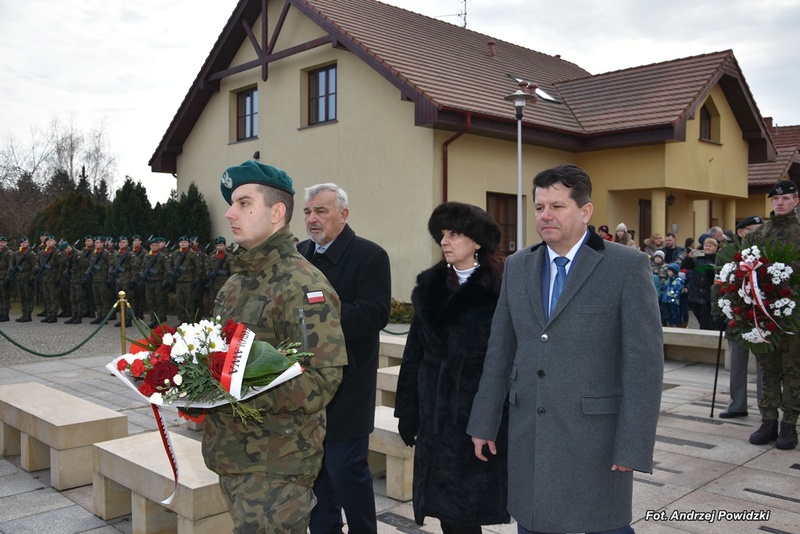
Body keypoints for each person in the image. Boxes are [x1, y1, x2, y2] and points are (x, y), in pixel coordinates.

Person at [466, 164, 663, 534]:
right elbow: (500, 351)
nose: (545, 216)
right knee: (535, 524)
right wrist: (483, 422)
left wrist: (633, 445)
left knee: (603, 526)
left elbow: (644, 364)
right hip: (532, 436)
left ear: (585, 211)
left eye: (557, 206)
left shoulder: (626, 266)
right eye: (539, 207)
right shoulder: (519, 267)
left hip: (596, 441)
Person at [202, 160, 347, 533]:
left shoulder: (301, 284)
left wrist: (236, 385)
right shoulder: (235, 284)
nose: (230, 213)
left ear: (277, 213)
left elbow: (320, 382)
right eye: (232, 203)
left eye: (244, 203)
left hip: (276, 464)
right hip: (234, 456)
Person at [394, 202, 508, 533]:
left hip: (476, 414)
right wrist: (407, 410)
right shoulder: (429, 287)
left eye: (455, 234)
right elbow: (413, 352)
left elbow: (507, 359)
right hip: (434, 414)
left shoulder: (499, 289)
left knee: (466, 512)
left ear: (477, 242)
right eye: (442, 234)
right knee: (445, 512)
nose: (445, 241)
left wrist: (494, 418)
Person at [296, 183, 391, 534]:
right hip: (305, 386)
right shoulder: (300, 253)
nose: (312, 219)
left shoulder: (370, 255)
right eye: (307, 212)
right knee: (316, 478)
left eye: (321, 211)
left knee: (347, 472)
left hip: (348, 387)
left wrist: (317, 320)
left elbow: (374, 313)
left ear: (343, 214)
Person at [745, 180, 800, 450]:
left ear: (796, 201)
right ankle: (768, 420)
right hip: (763, 315)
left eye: (787, 198)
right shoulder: (758, 234)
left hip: (793, 316)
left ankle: (789, 423)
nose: (780, 203)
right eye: (776, 199)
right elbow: (744, 270)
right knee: (767, 370)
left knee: (792, 370)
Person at [711, 215, 764, 419]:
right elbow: (718, 285)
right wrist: (717, 313)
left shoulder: (766, 251)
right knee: (737, 364)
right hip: (736, 315)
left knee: (764, 366)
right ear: (741, 232)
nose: (759, 233)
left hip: (761, 317)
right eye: (753, 230)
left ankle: (765, 407)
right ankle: (737, 405)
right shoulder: (726, 253)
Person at [681, 237, 718, 330]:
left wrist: (711, 272)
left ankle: (706, 341)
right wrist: (689, 257)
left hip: (707, 295)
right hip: (695, 293)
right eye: (706, 245)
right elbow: (684, 266)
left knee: (705, 323)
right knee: (700, 319)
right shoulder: (698, 257)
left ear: (715, 248)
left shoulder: (717, 259)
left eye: (710, 246)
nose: (708, 247)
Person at [169, 235, 201, 324]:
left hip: (189, 281)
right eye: (181, 242)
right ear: (179, 244)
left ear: (188, 243)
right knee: (180, 301)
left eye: (185, 242)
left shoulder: (192, 254)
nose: (183, 244)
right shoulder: (175, 253)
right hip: (178, 281)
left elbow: (198, 267)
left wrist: (196, 280)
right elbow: (169, 265)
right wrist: (172, 273)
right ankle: (182, 319)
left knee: (189, 302)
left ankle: (190, 320)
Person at [12, 236, 37, 322]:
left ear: (28, 243)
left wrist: (32, 277)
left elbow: (35, 266)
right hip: (19, 278)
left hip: (27, 277)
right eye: (22, 243)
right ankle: (23, 313)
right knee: (22, 297)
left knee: (28, 296)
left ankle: (28, 314)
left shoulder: (31, 254)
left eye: (25, 242)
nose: (23, 244)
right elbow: (14, 265)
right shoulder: (17, 253)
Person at [661, 263, 684, 327]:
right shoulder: (668, 280)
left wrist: (674, 296)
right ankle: (669, 324)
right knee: (667, 313)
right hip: (666, 299)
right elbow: (665, 287)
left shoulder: (679, 280)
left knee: (675, 313)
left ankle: (676, 324)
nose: (668, 272)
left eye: (670, 271)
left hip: (673, 300)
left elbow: (679, 290)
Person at [0, 236, 14, 322]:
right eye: (0, 242)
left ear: (6, 243)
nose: (1, 244)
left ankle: (5, 314)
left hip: (4, 276)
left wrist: (8, 277)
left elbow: (10, 266)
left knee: (5, 296)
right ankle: (1, 312)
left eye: (3, 242)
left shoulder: (9, 253)